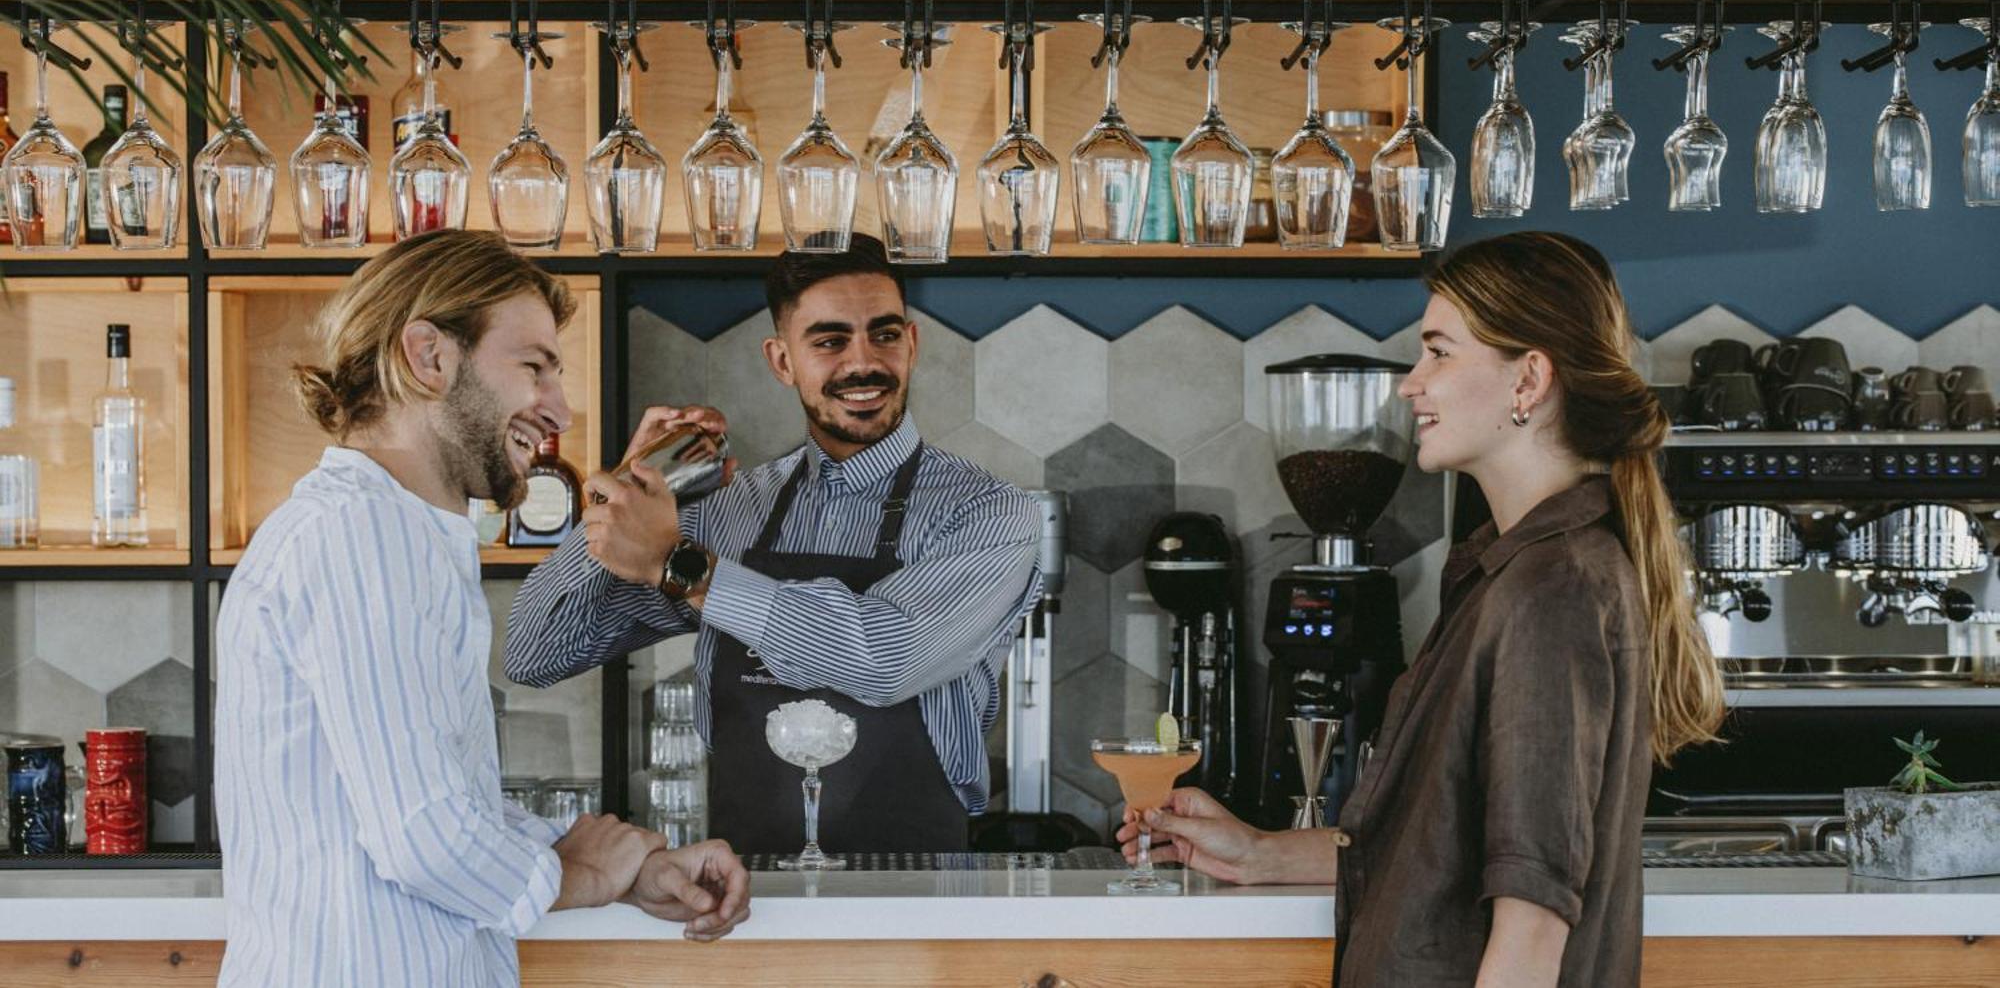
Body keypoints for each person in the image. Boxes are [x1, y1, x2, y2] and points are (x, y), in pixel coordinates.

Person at [1117, 231, 1725, 987]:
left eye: (1439, 352)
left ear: (1527, 381)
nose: (1411, 384)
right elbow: (1431, 851)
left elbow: (1530, 926)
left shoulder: (1553, 589)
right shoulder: (1509, 573)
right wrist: (1260, 850)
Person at [214, 231, 750, 988]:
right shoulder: (361, 535)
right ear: (428, 357)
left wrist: (628, 868)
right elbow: (425, 836)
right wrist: (581, 873)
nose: (558, 408)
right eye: (533, 366)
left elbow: (447, 805)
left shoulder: (395, 535)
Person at [506, 234, 1042, 854]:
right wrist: (624, 493)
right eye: (829, 340)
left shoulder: (989, 512)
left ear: (912, 345)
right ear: (782, 361)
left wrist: (681, 567)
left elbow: (885, 659)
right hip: (741, 889)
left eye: (885, 334)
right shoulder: (732, 512)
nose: (863, 362)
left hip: (916, 888)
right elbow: (534, 653)